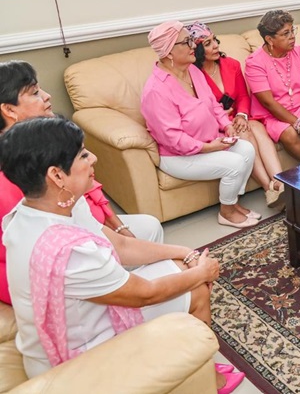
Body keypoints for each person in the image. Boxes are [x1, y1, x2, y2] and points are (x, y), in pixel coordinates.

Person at [0, 117, 244, 392]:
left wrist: (185, 253)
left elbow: (122, 246)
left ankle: (195, 367)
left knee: (179, 265)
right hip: (74, 353)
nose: (93, 158)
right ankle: (207, 380)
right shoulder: (71, 252)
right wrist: (202, 272)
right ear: (57, 175)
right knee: (197, 288)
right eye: (82, 154)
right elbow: (146, 294)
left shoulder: (41, 208)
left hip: (78, 320)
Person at [0, 61, 163, 306]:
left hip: (85, 227)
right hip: (54, 257)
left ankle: (142, 291)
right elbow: (40, 239)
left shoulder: (46, 139)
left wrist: (118, 227)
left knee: (150, 227)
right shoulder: (17, 168)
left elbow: (92, 188)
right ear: (9, 110)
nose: (47, 96)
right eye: (34, 92)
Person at [141, 21, 259, 229]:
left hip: (210, 141)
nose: (193, 45)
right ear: (169, 52)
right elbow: (173, 139)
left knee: (247, 149)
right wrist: (208, 147)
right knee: (235, 163)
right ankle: (227, 212)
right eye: (187, 42)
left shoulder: (192, 71)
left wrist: (226, 125)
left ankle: (232, 202)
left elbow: (213, 104)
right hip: (179, 156)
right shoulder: (156, 91)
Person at [188, 21, 285, 207]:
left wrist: (242, 115)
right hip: (217, 124)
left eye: (214, 40)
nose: (216, 45)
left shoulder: (231, 64)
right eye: (207, 43)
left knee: (257, 127)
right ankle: (269, 189)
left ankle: (279, 182)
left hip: (238, 117)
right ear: (197, 50)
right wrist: (224, 119)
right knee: (245, 133)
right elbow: (196, 108)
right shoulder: (193, 75)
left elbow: (242, 96)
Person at [245, 10, 300, 163]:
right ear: (270, 39)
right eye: (285, 33)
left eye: (292, 30)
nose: (292, 36)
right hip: (271, 114)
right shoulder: (254, 63)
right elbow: (268, 102)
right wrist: (298, 124)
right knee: (289, 134)